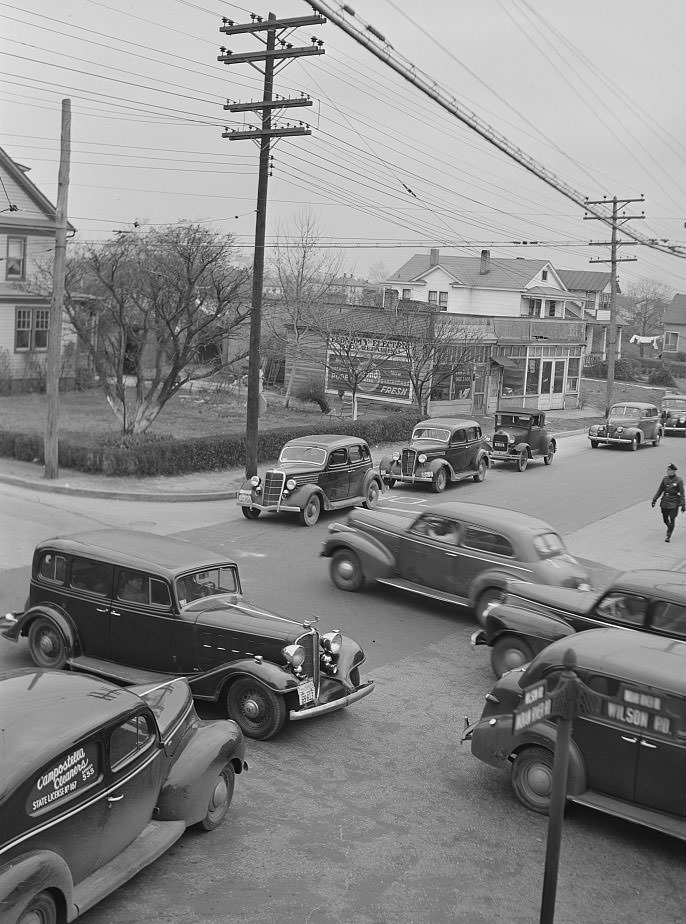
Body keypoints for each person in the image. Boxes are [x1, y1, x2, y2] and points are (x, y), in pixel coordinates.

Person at [652, 463, 685, 542]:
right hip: (665, 502)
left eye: (669, 470)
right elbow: (660, 490)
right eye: (667, 470)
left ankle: (668, 536)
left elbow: (682, 493)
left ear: (673, 471)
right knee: (665, 519)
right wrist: (654, 499)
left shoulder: (679, 480)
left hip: (674, 502)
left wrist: (683, 505)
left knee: (672, 518)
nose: (667, 471)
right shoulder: (665, 479)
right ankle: (669, 527)